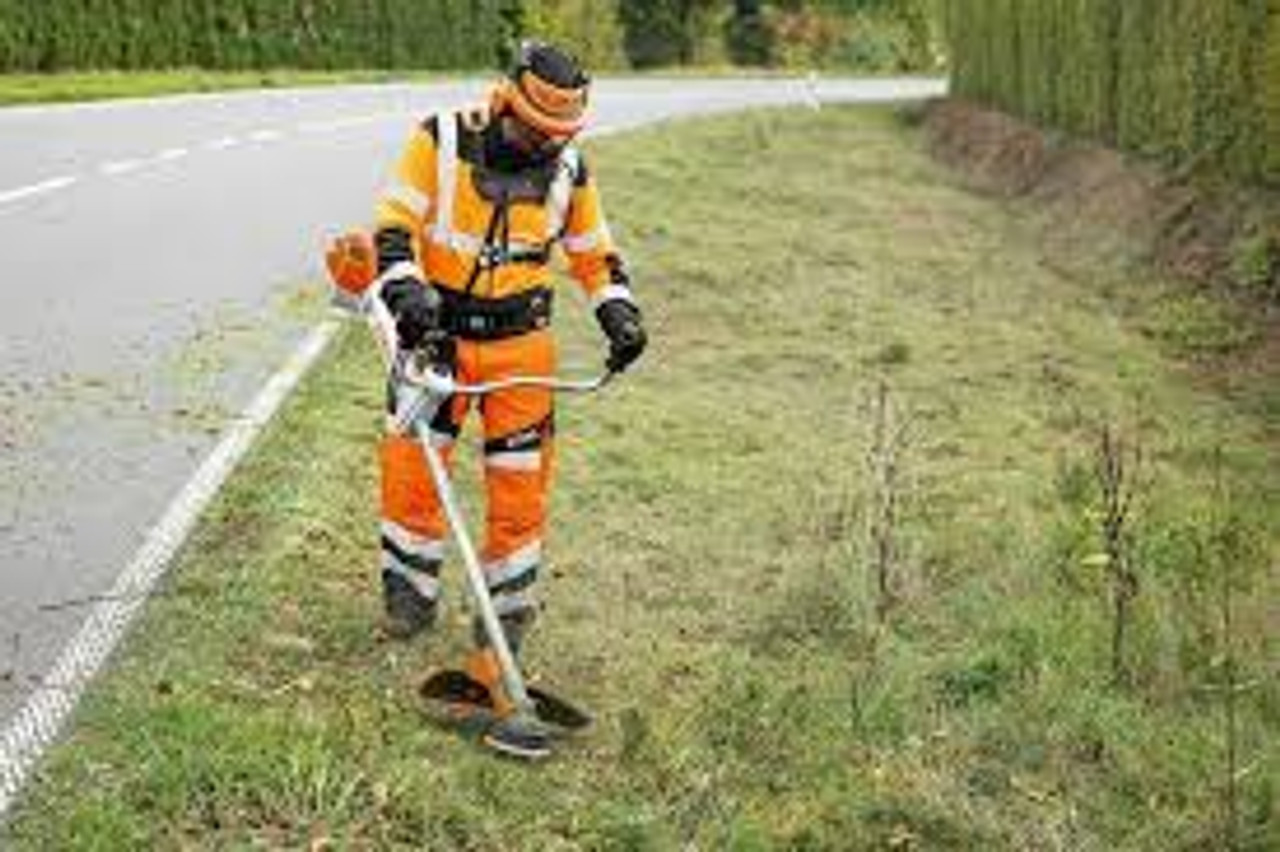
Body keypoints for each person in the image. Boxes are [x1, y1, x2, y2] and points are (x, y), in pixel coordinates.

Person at [365, 41, 646, 730]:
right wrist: (408, 297)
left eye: (560, 135)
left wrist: (618, 308)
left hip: (522, 346)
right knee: (412, 473)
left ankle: (507, 620)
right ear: (506, 105)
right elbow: (393, 229)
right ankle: (410, 596)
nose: (547, 144)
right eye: (536, 131)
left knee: (520, 487)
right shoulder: (442, 139)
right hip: (436, 341)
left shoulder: (569, 170)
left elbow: (594, 252)